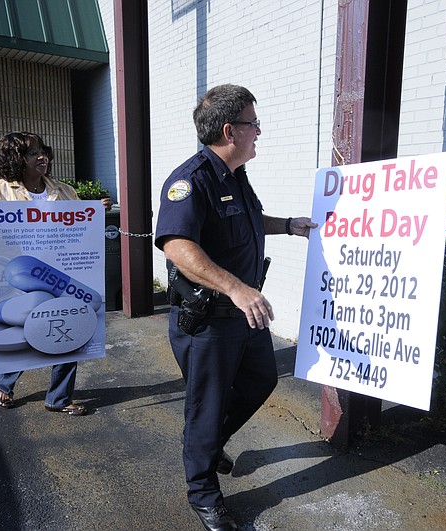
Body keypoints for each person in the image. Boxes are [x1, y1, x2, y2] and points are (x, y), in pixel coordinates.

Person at [154, 84, 315, 531]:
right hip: (209, 321)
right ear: (230, 130)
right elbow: (177, 245)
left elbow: (247, 220)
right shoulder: (191, 180)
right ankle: (203, 494)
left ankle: (206, 442)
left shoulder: (235, 176)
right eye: (253, 123)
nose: (259, 131)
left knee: (261, 379)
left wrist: (288, 225)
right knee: (205, 406)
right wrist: (238, 289)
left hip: (243, 317)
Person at [0, 131, 112, 417]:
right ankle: (5, 381)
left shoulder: (64, 190)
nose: (42, 157)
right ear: (16, 159)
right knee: (25, 325)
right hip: (20, 271)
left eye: (43, 151)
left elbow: (81, 233)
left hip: (60, 270)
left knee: (71, 322)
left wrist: (94, 213)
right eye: (33, 153)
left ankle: (59, 398)